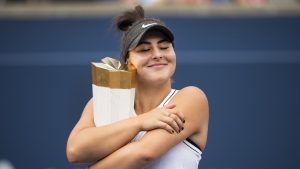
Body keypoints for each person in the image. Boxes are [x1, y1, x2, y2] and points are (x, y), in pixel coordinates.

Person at [66, 5, 209, 169]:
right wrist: (140, 122)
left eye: (164, 47)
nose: (157, 55)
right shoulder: (101, 103)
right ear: (128, 62)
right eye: (144, 50)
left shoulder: (192, 97)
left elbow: (145, 153)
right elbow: (74, 150)